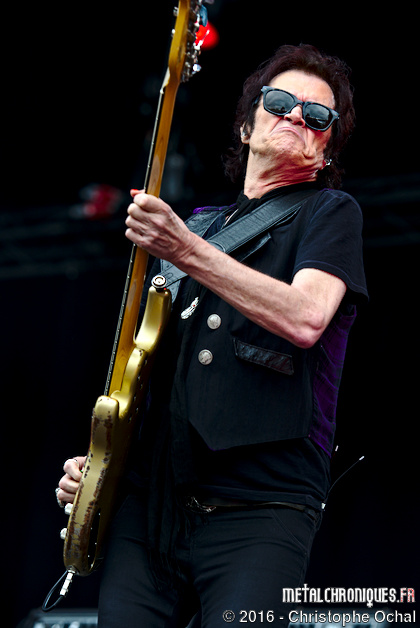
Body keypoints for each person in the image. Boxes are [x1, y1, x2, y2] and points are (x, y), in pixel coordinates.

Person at [57, 44, 368, 627]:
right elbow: (144, 375)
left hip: (261, 510)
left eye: (317, 115)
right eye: (279, 101)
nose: (296, 116)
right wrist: (101, 465)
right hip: (150, 509)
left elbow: (306, 317)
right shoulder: (198, 227)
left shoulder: (330, 213)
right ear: (246, 126)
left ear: (325, 149)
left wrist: (184, 250)